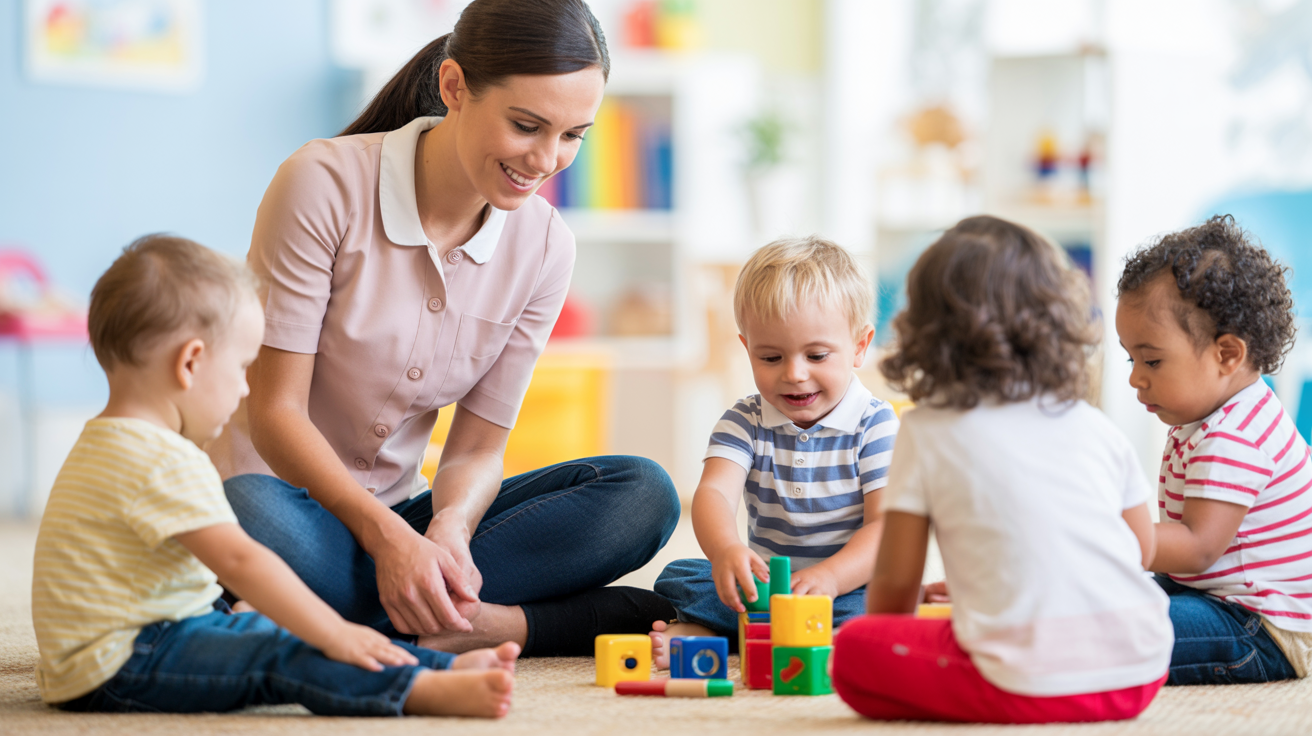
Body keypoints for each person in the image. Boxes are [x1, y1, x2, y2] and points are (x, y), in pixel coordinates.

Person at [207, 0, 680, 657]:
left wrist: (451, 527)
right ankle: (495, 624)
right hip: (284, 503)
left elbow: (477, 450)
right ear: (455, 87)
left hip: (408, 517)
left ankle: (317, 620)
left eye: (574, 135)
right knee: (243, 511)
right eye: (526, 125)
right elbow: (275, 414)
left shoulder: (545, 247)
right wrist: (386, 541)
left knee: (643, 494)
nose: (547, 159)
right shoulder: (322, 183)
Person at [32, 236, 518, 717]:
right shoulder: (160, 460)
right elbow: (241, 562)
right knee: (282, 651)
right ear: (191, 363)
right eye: (243, 367)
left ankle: (434, 666)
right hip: (125, 660)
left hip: (121, 643)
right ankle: (421, 690)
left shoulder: (106, 442)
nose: (246, 387)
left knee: (267, 627)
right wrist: (333, 631)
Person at [833, 216, 1172, 724]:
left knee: (854, 647)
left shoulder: (926, 430)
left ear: (927, 329)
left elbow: (897, 588)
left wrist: (897, 637)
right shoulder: (1093, 425)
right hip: (1140, 672)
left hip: (1026, 682)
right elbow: (1141, 550)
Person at [648, 236, 899, 665]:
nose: (794, 374)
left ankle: (775, 634)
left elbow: (885, 528)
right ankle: (735, 628)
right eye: (770, 358)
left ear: (859, 346)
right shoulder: (744, 420)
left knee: (886, 601)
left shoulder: (874, 425)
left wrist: (831, 577)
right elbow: (714, 494)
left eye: (817, 355)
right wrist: (727, 551)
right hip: (763, 588)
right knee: (681, 576)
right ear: (747, 349)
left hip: (845, 588)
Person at [1115, 215, 1312, 684]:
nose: (1135, 378)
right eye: (1131, 358)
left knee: (1118, 628)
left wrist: (1110, 531)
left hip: (1261, 629)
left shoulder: (1235, 435)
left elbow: (1198, 548)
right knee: (1106, 595)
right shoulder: (1212, 410)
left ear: (1227, 354)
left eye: (1153, 360)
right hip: (1214, 594)